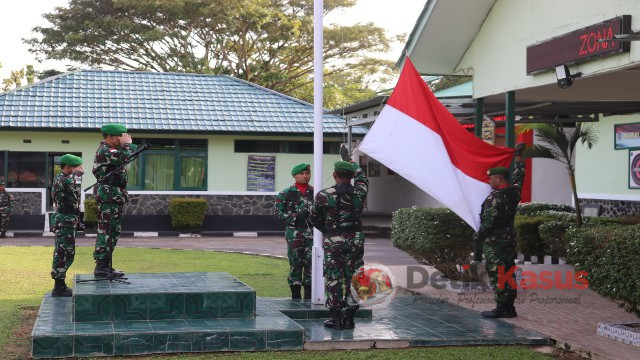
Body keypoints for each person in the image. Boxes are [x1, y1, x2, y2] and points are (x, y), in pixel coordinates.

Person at [310, 146, 368, 330]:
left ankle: (335, 319)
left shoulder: (324, 196)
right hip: (355, 240)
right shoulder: (360, 192)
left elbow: (313, 218)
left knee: (334, 278)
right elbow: (363, 177)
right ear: (350, 177)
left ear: (334, 174)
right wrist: (350, 161)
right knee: (354, 277)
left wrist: (328, 230)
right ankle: (350, 318)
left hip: (333, 240)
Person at [474, 143, 525, 318]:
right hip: (509, 240)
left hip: (496, 243)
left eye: (491, 179)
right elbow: (519, 176)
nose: (489, 182)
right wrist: (519, 157)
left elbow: (488, 224)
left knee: (498, 273)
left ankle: (502, 308)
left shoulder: (495, 199)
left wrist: (479, 237)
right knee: (508, 271)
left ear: (499, 179)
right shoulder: (514, 192)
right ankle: (509, 307)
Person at [92, 123, 137, 278]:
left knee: (112, 231)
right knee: (107, 231)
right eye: (120, 136)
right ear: (110, 137)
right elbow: (126, 156)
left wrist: (128, 146)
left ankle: (106, 266)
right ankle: (101, 267)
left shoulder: (115, 151)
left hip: (114, 195)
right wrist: (127, 146)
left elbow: (131, 153)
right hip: (108, 195)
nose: (122, 139)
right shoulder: (105, 150)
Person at [274, 163, 314, 300]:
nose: (305, 176)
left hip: (312, 235)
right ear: (294, 176)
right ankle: (295, 296)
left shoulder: (316, 193)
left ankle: (309, 295)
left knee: (311, 264)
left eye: (307, 173)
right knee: (295, 264)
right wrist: (295, 217)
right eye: (301, 173)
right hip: (294, 234)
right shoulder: (286, 193)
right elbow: (278, 213)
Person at [50, 154, 84, 297]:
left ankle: (60, 285)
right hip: (65, 221)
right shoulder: (64, 179)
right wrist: (76, 175)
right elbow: (70, 190)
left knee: (65, 252)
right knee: (63, 253)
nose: (80, 169)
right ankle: (58, 287)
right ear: (68, 167)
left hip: (67, 221)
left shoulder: (64, 179)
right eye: (77, 166)